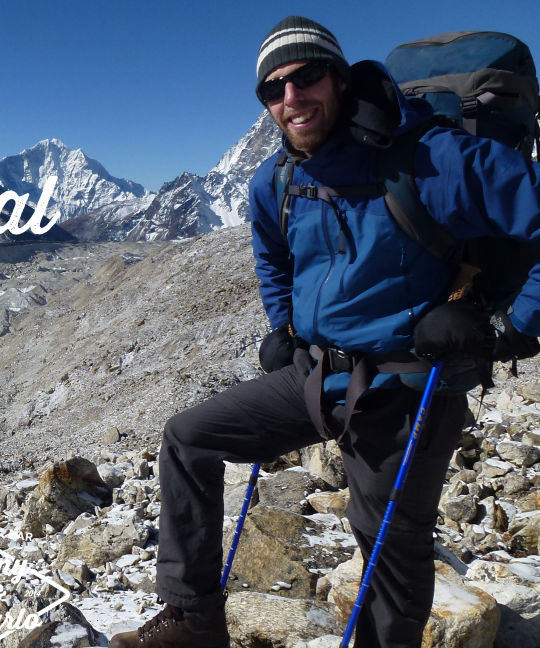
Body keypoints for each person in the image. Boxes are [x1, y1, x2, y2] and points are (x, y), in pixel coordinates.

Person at [109, 15, 540, 648]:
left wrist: (507, 327)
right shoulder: (277, 181)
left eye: (305, 76)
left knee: (388, 543)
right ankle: (193, 617)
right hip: (316, 373)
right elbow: (272, 258)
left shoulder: (430, 159)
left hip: (410, 384)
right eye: (272, 89)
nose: (290, 98)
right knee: (188, 438)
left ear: (339, 78)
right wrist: (282, 324)